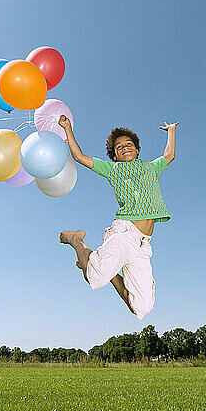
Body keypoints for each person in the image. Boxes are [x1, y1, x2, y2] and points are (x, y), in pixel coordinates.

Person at [58, 115, 179, 319]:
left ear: (137, 149)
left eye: (129, 144)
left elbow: (169, 155)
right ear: (114, 155)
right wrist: (68, 128)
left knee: (141, 307)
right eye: (119, 147)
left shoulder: (151, 167)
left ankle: (111, 270)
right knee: (94, 278)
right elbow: (79, 157)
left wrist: (172, 131)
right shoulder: (112, 169)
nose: (125, 148)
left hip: (143, 244)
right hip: (125, 232)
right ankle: (76, 240)